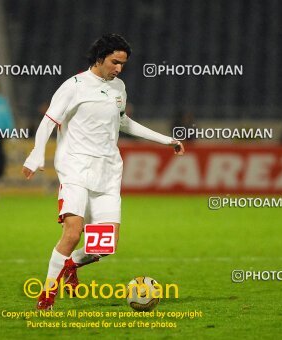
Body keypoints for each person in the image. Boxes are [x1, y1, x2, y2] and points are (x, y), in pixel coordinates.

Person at [21, 34, 184, 310]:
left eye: (123, 64)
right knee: (73, 233)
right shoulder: (74, 86)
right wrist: (36, 154)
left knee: (104, 247)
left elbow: (124, 122)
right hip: (75, 167)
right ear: (99, 58)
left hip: (108, 172)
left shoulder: (118, 87)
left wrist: (165, 140)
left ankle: (71, 264)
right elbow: (49, 121)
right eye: (114, 62)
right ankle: (47, 295)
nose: (119, 68)